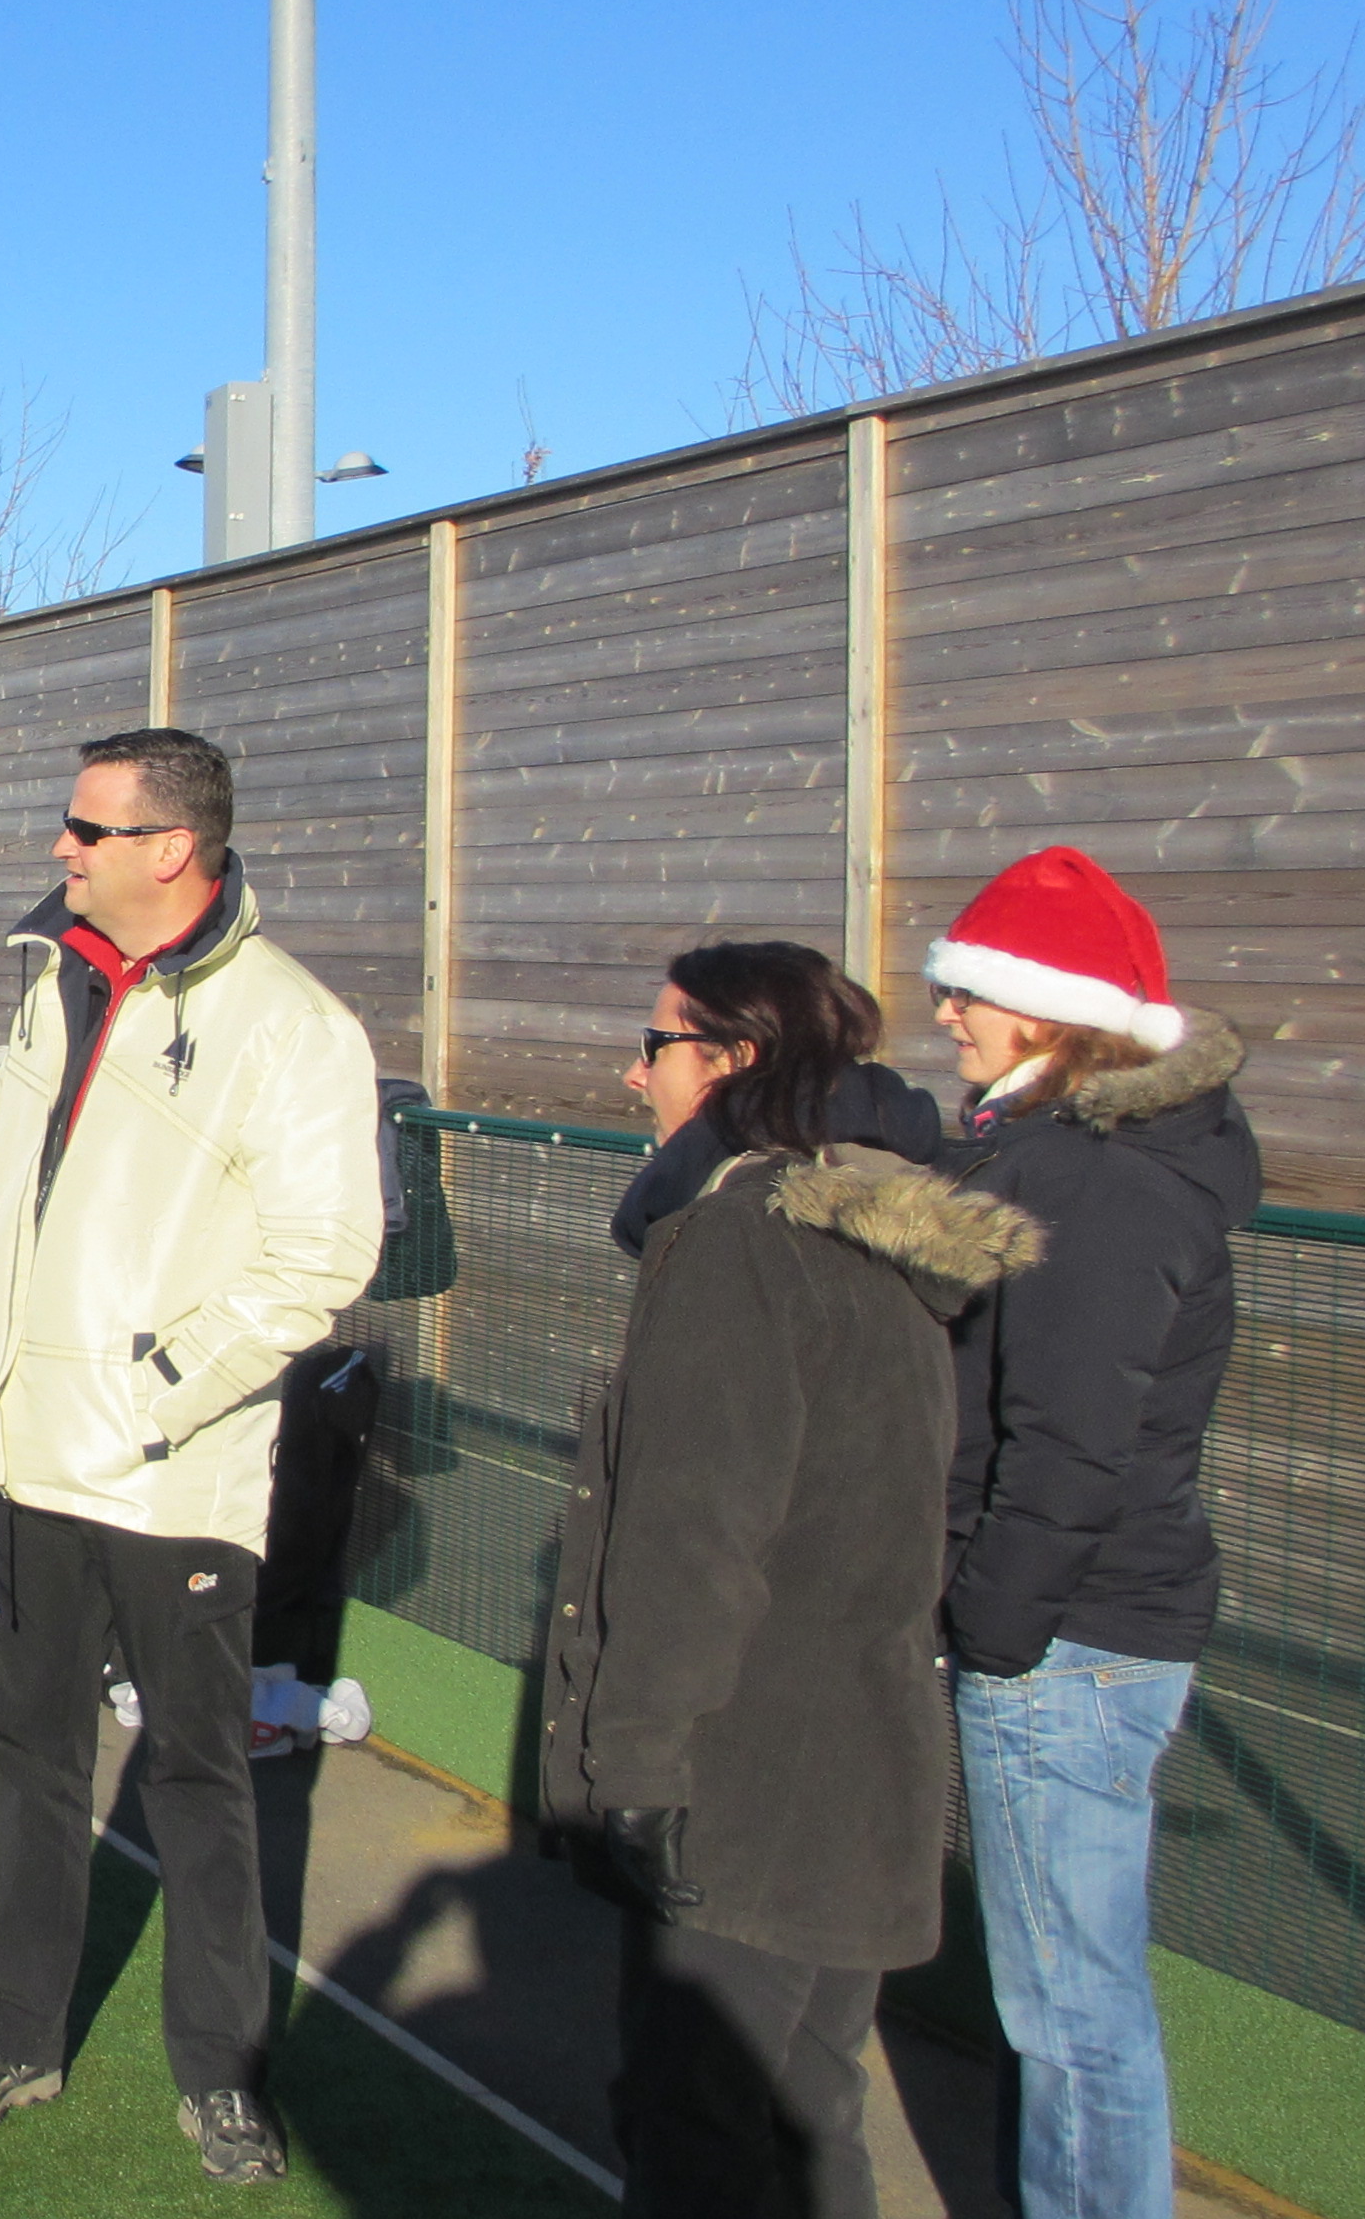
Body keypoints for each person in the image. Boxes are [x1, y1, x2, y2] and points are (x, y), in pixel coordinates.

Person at [0, 728, 384, 2186]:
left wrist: (165, 1384)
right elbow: (0, 1173)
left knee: (198, 1781)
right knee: (29, 1759)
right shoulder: (59, 983)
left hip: (172, 1471)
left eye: (87, 829)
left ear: (170, 848)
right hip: (22, 1453)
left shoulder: (297, 1028)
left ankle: (221, 2074)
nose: (61, 848)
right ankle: (16, 2037)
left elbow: (323, 1258)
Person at [539, 942, 1037, 2219]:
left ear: (733, 1060)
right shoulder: (863, 1233)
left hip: (747, 1780)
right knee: (811, 2125)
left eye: (655, 1045)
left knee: (700, 2133)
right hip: (858, 1767)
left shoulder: (738, 1237)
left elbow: (695, 1532)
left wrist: (635, 1769)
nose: (632, 1071)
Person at [925, 846, 1258, 2219]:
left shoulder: (1101, 1189)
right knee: (1068, 1998)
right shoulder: (1061, 1160)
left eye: (967, 995)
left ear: (1046, 1020)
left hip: (1069, 1646)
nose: (946, 1015)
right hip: (1080, 1635)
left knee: (1069, 2011)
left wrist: (990, 1627)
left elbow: (1070, 1446)